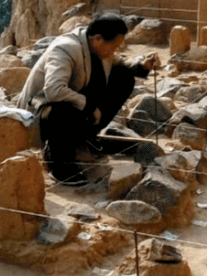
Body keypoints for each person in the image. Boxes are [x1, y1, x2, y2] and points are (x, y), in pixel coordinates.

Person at [17, 15, 160, 185]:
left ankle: (85, 137)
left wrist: (142, 65)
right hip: (40, 115)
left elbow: (120, 63)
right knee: (61, 109)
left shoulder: (95, 46)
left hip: (74, 105)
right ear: (99, 39)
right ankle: (59, 163)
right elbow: (53, 91)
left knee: (124, 77)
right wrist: (89, 106)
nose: (115, 50)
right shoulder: (65, 49)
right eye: (113, 46)